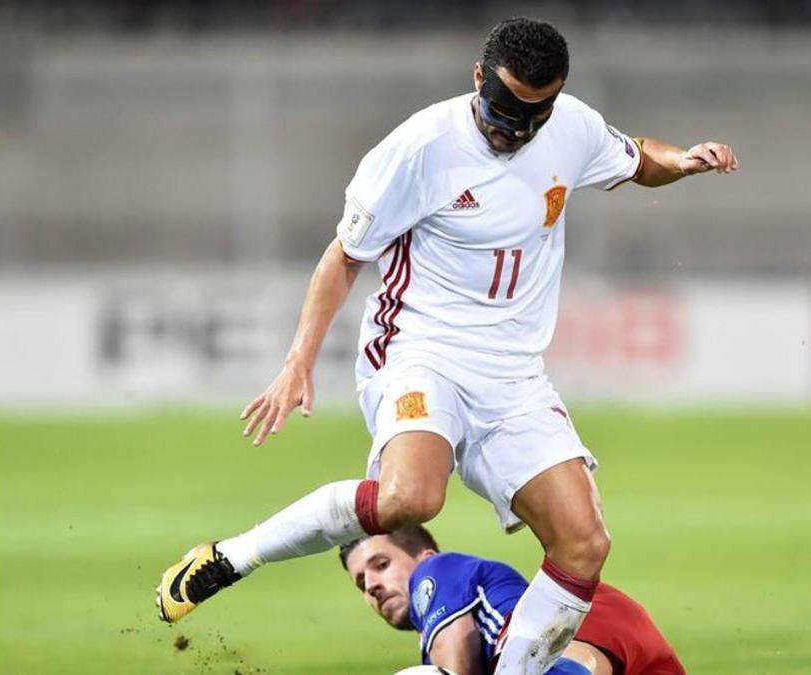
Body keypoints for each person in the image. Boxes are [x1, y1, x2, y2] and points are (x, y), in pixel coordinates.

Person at [155, 16, 738, 675]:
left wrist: (683, 161)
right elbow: (343, 258)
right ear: (479, 77)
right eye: (505, 106)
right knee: (410, 499)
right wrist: (298, 362)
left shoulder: (569, 126)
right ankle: (232, 556)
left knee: (583, 542)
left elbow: (636, 157)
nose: (516, 126)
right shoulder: (419, 148)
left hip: (513, 373)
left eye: (534, 113)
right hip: (419, 351)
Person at [340, 526, 686, 675]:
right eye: (361, 582)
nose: (372, 585)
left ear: (424, 554)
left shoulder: (434, 571)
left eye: (381, 565)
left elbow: (456, 646)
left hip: (574, 624)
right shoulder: (431, 643)